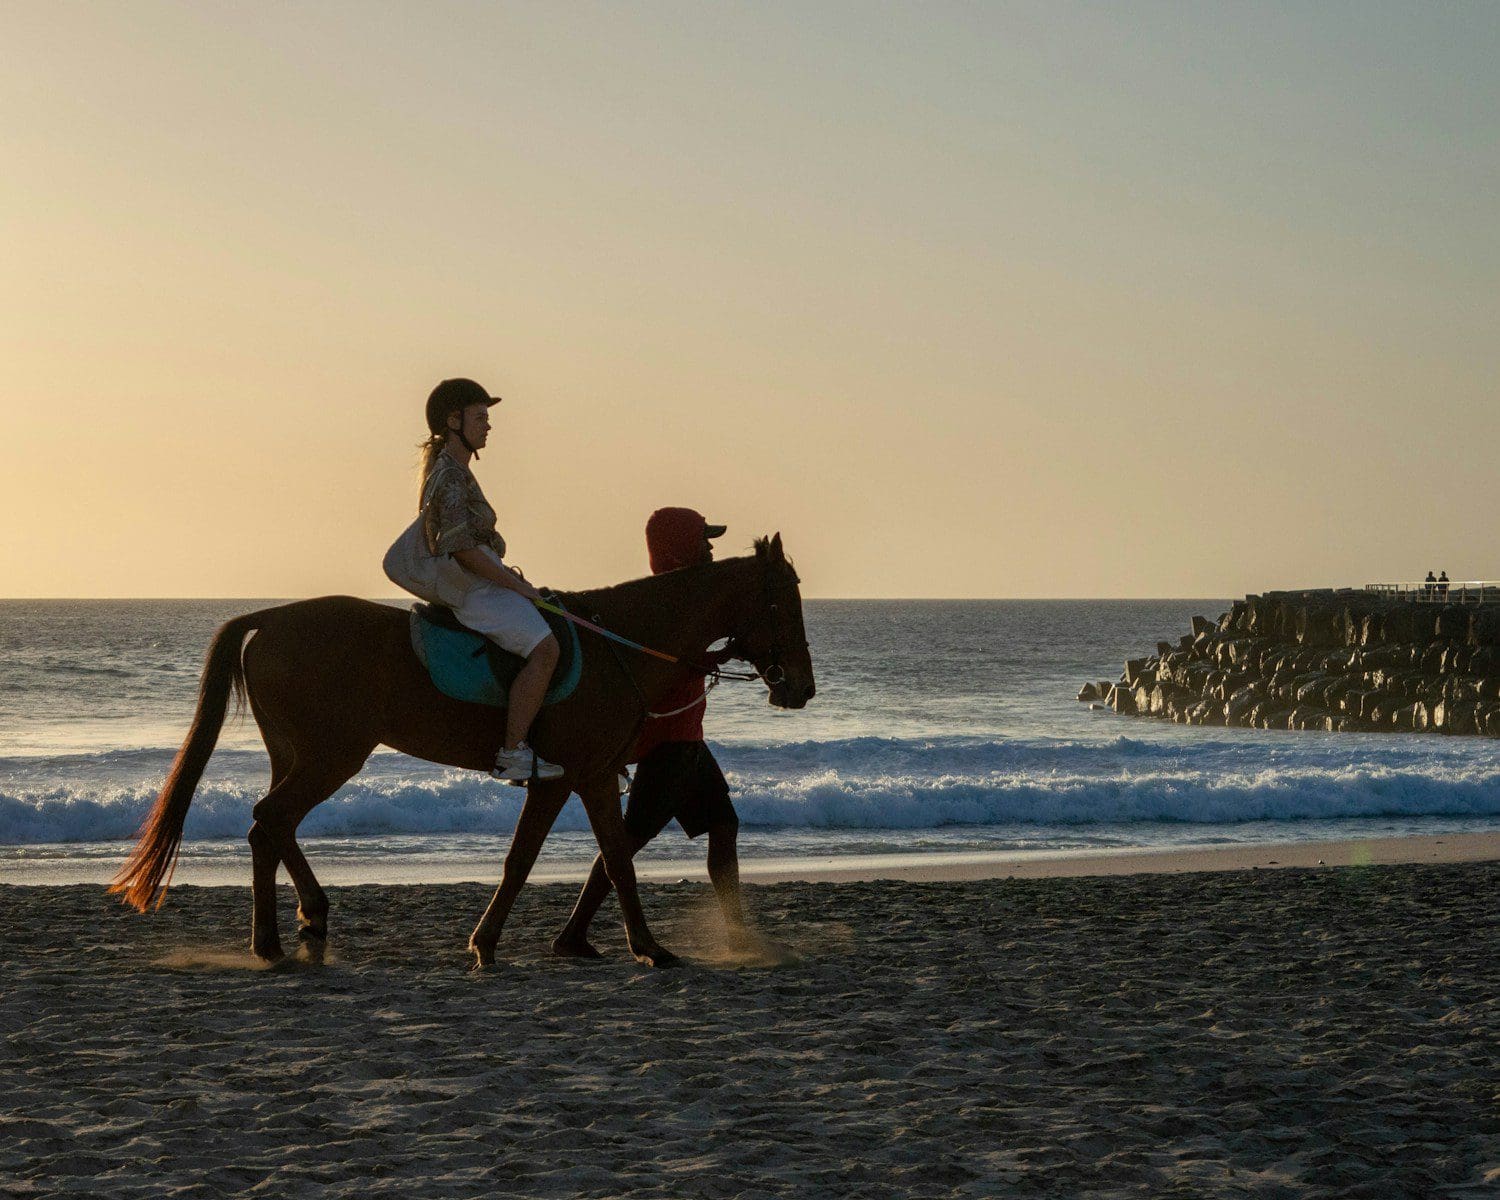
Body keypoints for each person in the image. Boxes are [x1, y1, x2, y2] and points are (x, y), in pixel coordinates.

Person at [552, 506, 748, 956]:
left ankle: (736, 929)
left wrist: (720, 655)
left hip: (689, 741)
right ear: (680, 550)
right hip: (667, 745)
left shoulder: (684, 598)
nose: (712, 548)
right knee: (625, 844)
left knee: (724, 826)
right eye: (704, 540)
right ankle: (573, 933)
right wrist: (717, 658)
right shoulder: (664, 604)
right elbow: (662, 670)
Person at [418, 378, 563, 782]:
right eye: (481, 416)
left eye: (488, 417)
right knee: (547, 650)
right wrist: (514, 585)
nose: (488, 425)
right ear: (453, 420)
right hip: (473, 588)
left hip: (485, 580)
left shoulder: (457, 470)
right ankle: (512, 751)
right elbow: (460, 548)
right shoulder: (448, 475)